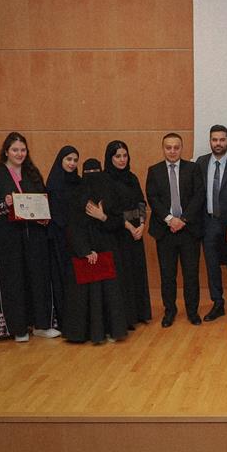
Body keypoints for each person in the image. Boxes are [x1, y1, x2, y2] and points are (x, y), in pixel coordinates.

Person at [0, 131, 59, 342]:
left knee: (38, 278)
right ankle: (19, 328)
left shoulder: (32, 173)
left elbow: (43, 202)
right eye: (15, 150)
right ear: (6, 151)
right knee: (14, 281)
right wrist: (4, 204)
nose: (19, 153)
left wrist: (43, 218)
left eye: (23, 150)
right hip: (8, 239)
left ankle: (41, 325)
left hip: (34, 237)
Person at [62, 159, 128, 344]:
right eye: (88, 172)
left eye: (96, 172)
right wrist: (85, 250)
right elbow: (72, 226)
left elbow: (118, 222)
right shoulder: (77, 195)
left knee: (110, 294)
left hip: (108, 250)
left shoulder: (110, 194)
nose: (92, 176)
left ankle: (111, 330)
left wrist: (103, 217)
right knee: (87, 295)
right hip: (86, 253)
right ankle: (88, 333)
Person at [145, 133, 205, 327]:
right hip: (165, 232)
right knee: (167, 275)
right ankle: (169, 311)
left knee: (191, 275)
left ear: (182, 148)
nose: (172, 151)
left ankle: (192, 312)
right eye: (168, 147)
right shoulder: (154, 171)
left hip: (189, 231)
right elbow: (152, 198)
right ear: (163, 148)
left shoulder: (193, 169)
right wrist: (170, 220)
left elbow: (199, 196)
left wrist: (183, 220)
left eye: (176, 147)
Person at [196, 125, 227, 324]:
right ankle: (217, 304)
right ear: (210, 141)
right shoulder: (200, 162)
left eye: (222, 140)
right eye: (214, 139)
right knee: (212, 266)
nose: (218, 143)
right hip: (207, 223)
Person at [105, 140, 152, 328]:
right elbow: (110, 210)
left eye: (125, 156)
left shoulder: (131, 177)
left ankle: (140, 313)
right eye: (118, 156)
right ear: (110, 158)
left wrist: (141, 224)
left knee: (136, 271)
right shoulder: (106, 179)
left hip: (136, 232)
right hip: (119, 233)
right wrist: (130, 227)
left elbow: (141, 202)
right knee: (123, 274)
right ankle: (126, 317)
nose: (122, 159)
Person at [45, 145, 80, 335]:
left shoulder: (78, 182)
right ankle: (64, 320)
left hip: (77, 238)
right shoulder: (53, 184)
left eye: (75, 160)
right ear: (61, 160)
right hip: (59, 238)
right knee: (62, 278)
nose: (72, 163)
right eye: (68, 159)